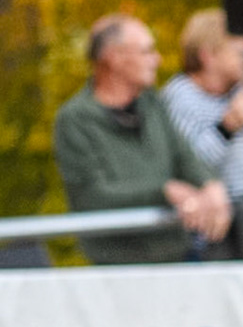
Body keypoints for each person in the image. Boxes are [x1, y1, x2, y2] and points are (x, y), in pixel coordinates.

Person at [52, 15, 231, 265]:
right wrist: (165, 192)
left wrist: (211, 185)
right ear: (114, 57)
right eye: (146, 51)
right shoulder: (75, 119)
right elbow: (93, 196)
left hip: (179, 256)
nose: (156, 60)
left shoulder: (152, 104)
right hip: (120, 268)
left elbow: (184, 157)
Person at [160, 9, 243, 202]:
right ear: (208, 55)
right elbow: (184, 167)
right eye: (240, 53)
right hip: (216, 217)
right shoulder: (180, 96)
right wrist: (226, 128)